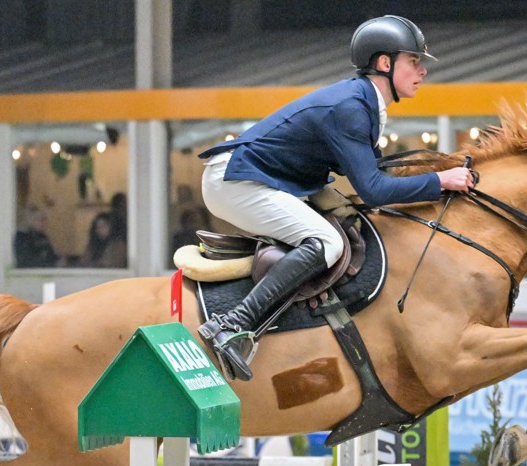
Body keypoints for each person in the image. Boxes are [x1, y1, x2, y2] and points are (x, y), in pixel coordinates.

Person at [195, 15, 474, 381]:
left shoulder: (365, 103)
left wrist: (438, 174)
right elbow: (374, 190)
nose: (422, 71)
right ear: (384, 63)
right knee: (326, 242)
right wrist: (440, 179)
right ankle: (231, 325)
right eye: (414, 61)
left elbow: (376, 179)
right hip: (236, 180)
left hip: (264, 179)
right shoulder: (350, 108)